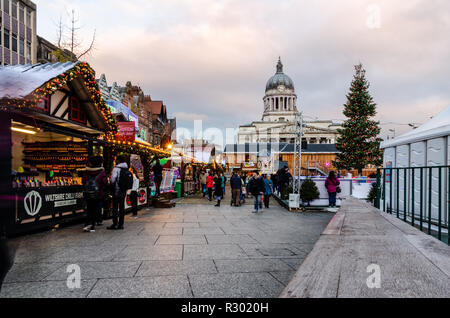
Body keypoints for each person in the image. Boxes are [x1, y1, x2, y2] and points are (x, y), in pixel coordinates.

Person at [82, 156, 108, 233]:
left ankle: (87, 224)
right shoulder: (102, 172)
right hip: (98, 194)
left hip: (88, 193)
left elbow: (83, 181)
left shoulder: (86, 172)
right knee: (96, 209)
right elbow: (104, 183)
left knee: (89, 208)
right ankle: (92, 226)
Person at [108, 155, 129, 230]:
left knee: (115, 207)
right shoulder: (126, 168)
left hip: (117, 191)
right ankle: (121, 224)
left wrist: (111, 187)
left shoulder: (116, 169)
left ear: (118, 160)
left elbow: (113, 180)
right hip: (123, 190)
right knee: (122, 207)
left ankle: (115, 223)